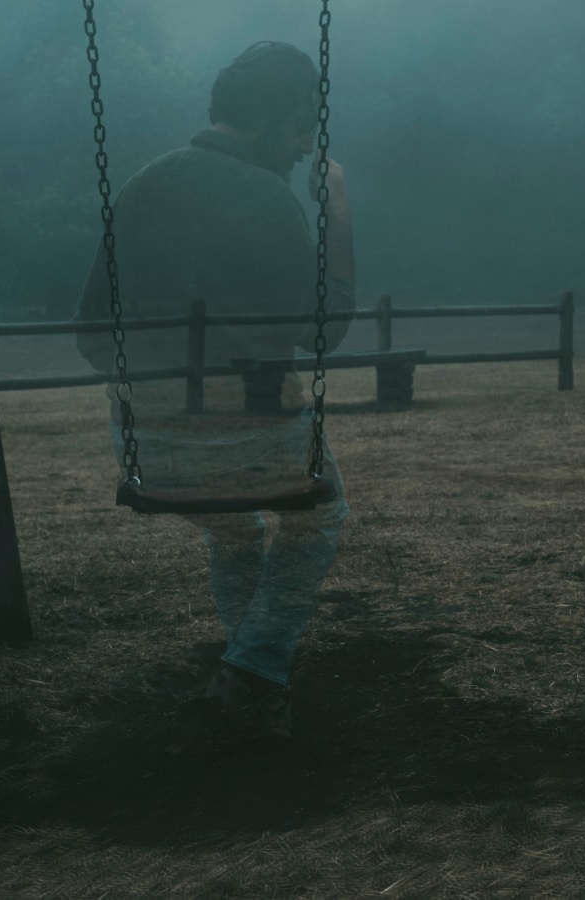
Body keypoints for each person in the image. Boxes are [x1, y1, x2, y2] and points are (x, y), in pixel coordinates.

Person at [76, 41, 357, 739]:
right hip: (255, 441)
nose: (303, 145)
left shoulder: (145, 182)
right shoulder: (271, 198)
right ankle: (256, 668)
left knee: (234, 528)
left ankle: (245, 677)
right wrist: (340, 212)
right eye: (300, 124)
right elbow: (327, 335)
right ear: (261, 114)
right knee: (320, 513)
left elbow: (90, 336)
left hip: (151, 447)